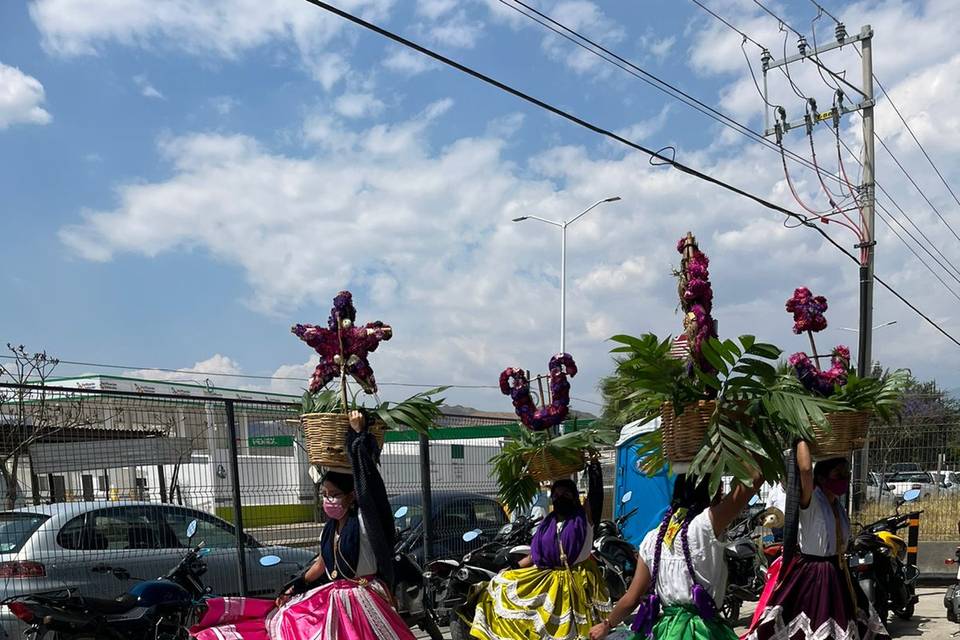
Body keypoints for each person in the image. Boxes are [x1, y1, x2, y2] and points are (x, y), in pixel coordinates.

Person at [190, 410, 415, 640]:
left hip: (363, 598)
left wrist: (358, 438)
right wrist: (297, 585)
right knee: (288, 619)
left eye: (334, 494)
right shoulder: (329, 529)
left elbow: (371, 488)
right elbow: (322, 561)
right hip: (334, 597)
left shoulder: (367, 521)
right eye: (325, 494)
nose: (328, 499)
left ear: (352, 495)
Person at [588, 471, 762, 640]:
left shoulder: (652, 538)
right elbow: (753, 480)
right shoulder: (705, 525)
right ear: (711, 492)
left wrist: (606, 625)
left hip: (665, 631)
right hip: (703, 631)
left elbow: (631, 598)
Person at [742, 441, 888, 640]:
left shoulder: (837, 504)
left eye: (847, 474)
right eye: (838, 474)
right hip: (813, 575)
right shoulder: (811, 502)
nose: (844, 479)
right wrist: (801, 436)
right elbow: (805, 470)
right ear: (821, 477)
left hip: (839, 573)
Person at [470, 459, 611, 640]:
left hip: (578, 580)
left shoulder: (584, 518)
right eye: (557, 495)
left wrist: (594, 468)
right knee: (500, 585)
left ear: (575, 497)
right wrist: (512, 568)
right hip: (547, 576)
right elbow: (536, 556)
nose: (561, 498)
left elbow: (596, 496)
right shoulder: (546, 525)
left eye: (566, 494)